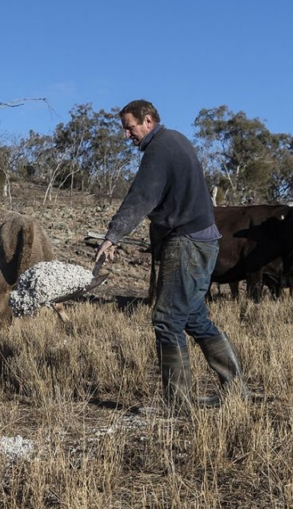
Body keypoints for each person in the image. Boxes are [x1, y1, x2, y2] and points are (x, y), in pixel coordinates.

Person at [94, 99, 247, 413]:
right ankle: (237, 389)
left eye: (129, 127)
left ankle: (177, 404)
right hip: (204, 241)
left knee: (166, 320)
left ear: (148, 121)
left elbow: (141, 197)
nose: (126, 135)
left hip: (187, 242)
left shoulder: (160, 148)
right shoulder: (176, 140)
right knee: (193, 317)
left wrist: (112, 236)